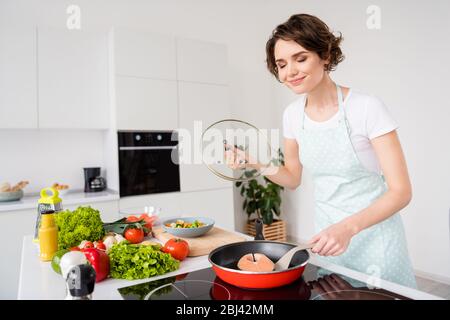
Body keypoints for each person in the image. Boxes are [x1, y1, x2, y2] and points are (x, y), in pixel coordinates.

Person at [229, 13, 417, 288]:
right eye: (281, 64)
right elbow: (292, 177)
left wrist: (348, 228)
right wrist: (256, 164)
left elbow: (401, 192)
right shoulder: (292, 115)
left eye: (300, 58)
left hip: (376, 241)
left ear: (325, 55)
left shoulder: (366, 107)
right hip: (329, 242)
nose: (289, 72)